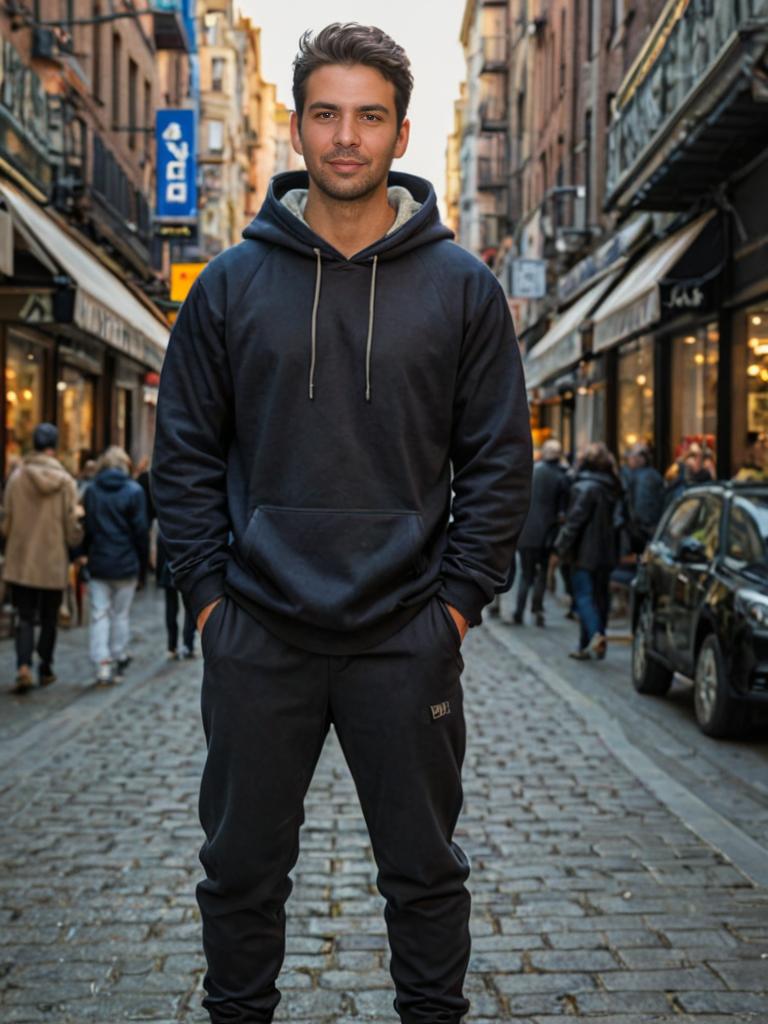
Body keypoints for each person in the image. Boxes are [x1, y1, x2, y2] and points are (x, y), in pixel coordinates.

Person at [152, 23, 532, 1024]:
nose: (347, 137)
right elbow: (183, 452)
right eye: (326, 114)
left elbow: (499, 460)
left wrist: (452, 609)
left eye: (369, 116)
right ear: (298, 128)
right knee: (238, 874)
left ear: (402, 132)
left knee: (424, 875)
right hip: (258, 635)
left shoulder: (463, 289)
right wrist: (206, 603)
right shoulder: (229, 285)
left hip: (406, 638)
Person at [1, 422, 83, 692]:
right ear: (54, 447)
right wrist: (75, 543)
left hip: (22, 559)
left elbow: (6, 522)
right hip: (52, 559)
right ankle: (45, 667)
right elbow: (72, 525)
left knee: (24, 616)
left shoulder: (17, 477)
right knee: (49, 618)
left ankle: (23, 667)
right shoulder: (65, 482)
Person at [82, 446, 148, 685]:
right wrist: (142, 563)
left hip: (99, 560)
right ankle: (118, 654)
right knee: (120, 614)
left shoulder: (92, 492)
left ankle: (102, 662)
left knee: (99, 613)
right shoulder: (134, 491)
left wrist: (84, 555)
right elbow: (141, 531)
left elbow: (87, 528)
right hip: (126, 561)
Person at [556, 442, 623, 660]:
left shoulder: (584, 487)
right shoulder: (615, 486)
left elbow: (574, 522)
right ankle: (587, 645)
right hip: (607, 552)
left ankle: (595, 635)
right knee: (600, 598)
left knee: (584, 597)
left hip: (584, 553)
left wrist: (561, 545)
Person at [513, 438, 568, 626]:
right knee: (541, 573)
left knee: (526, 574)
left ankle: (519, 611)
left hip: (526, 532)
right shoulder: (561, 476)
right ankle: (537, 610)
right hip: (547, 534)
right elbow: (563, 511)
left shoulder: (533, 472)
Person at [156, 532, 196, 659]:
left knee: (172, 609)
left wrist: (159, 577)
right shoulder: (190, 524)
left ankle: (172, 646)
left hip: (169, 571)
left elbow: (160, 556)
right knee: (189, 609)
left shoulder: (164, 527)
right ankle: (188, 645)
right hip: (187, 570)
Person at [620, 442, 664, 553]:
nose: (629, 460)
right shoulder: (647, 475)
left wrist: (641, 526)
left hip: (643, 528)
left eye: (632, 457)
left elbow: (642, 507)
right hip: (643, 527)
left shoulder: (646, 477)